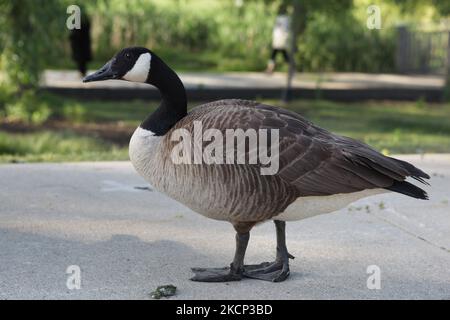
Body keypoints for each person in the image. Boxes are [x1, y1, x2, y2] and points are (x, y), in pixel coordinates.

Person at [69, 13, 92, 77]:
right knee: (81, 59)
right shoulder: (83, 23)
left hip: (81, 45)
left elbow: (73, 34)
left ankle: (82, 71)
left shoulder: (79, 23)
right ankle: (82, 71)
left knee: (81, 59)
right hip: (81, 45)